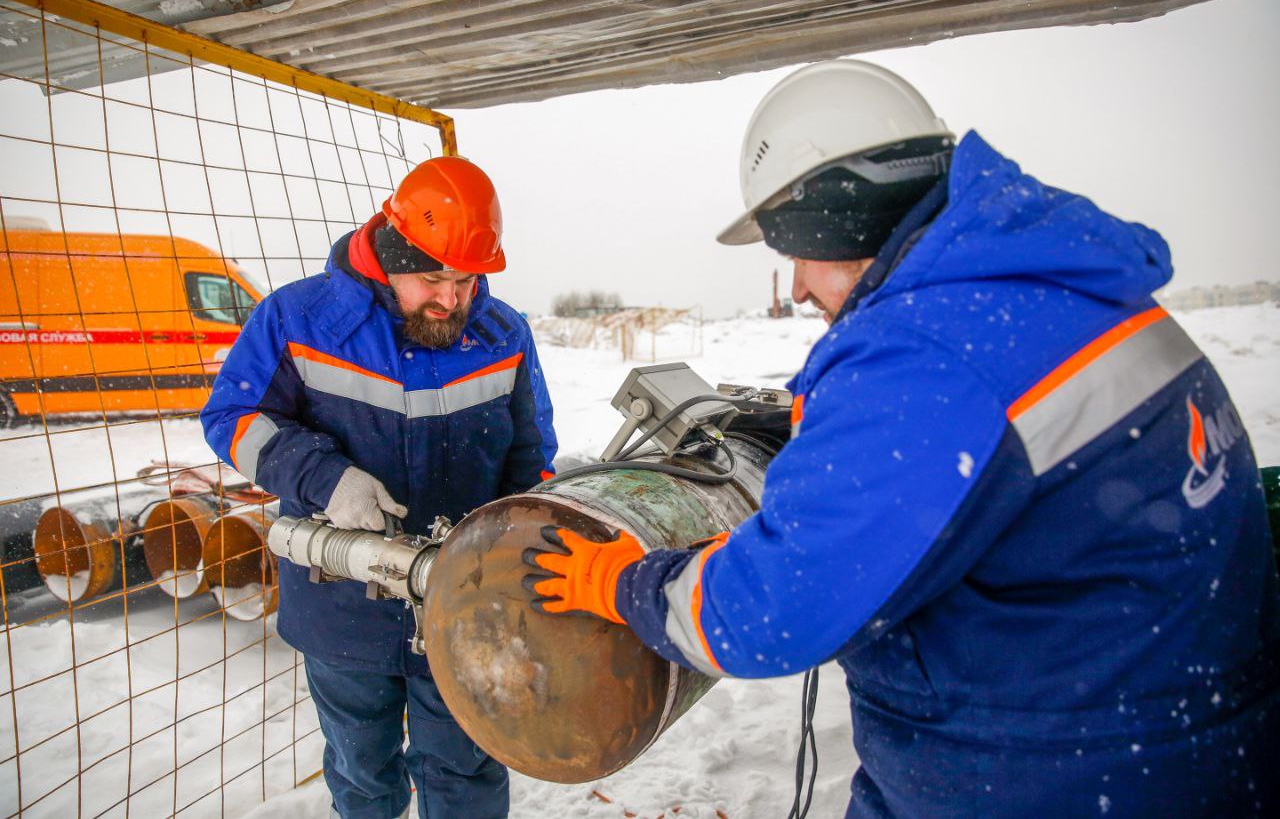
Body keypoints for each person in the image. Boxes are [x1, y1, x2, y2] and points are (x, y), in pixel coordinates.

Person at [522, 60, 1278, 816]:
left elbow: (772, 609)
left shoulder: (928, 349)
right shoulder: (1053, 285)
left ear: (839, 218)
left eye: (795, 254)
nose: (797, 288)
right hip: (1162, 739)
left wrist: (627, 584)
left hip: (1048, 777)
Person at [203, 156, 557, 818]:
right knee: (363, 775)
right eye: (432, 279)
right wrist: (324, 477)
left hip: (465, 606)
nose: (452, 299)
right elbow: (233, 417)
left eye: (466, 280)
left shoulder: (502, 333)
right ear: (391, 251)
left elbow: (530, 452)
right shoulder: (296, 319)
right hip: (340, 609)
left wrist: (519, 554)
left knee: (465, 769)